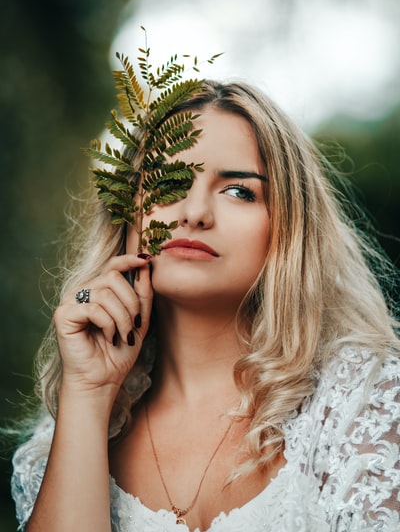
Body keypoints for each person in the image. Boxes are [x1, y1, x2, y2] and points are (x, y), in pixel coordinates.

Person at [11, 80, 400, 531]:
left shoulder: (364, 403)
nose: (195, 213)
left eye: (239, 191)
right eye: (169, 182)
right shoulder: (61, 438)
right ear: (129, 213)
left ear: (289, 229)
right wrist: (89, 393)